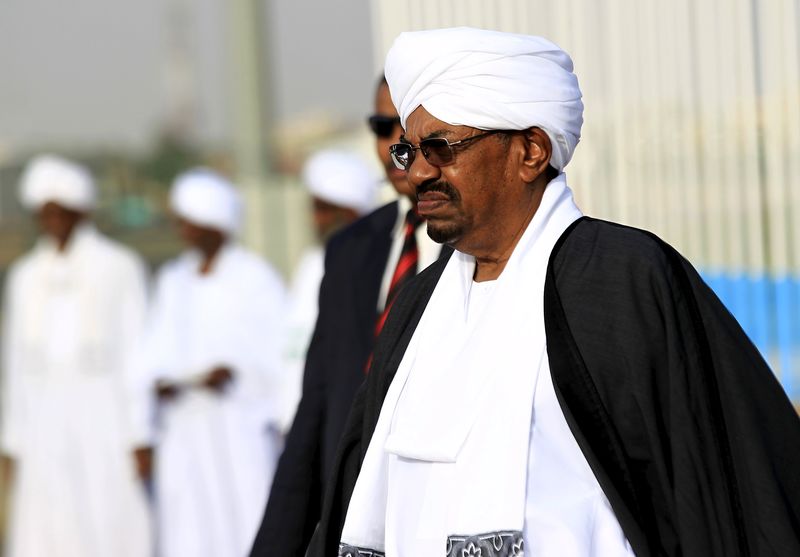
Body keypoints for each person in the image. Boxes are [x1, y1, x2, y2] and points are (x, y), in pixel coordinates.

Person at [306, 28, 800, 557]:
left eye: (441, 147)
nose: (420, 171)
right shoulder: (418, 306)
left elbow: (723, 485)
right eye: (410, 151)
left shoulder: (619, 282)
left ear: (531, 152)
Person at [249, 77, 442, 556]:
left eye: (415, 129)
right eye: (384, 126)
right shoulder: (350, 249)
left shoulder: (478, 252)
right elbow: (317, 405)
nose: (398, 144)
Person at [1, 155, 153, 557]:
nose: (53, 221)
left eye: (61, 211)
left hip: (104, 415)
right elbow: (15, 366)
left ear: (80, 211)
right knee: (44, 522)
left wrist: (141, 432)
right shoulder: (24, 276)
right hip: (41, 420)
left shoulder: (118, 266)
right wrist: (11, 440)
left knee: (108, 518)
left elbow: (137, 352)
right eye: (45, 213)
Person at [142, 169, 286, 557]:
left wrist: (235, 373)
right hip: (185, 428)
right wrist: (160, 381)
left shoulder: (254, 277)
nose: (183, 231)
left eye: (190, 222)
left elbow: (280, 357)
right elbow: (154, 352)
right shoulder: (174, 280)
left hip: (238, 428)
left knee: (246, 523)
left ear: (215, 225)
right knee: (188, 530)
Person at [278, 149, 379, 433]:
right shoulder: (310, 264)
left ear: (349, 212)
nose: (315, 220)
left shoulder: (369, 266)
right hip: (299, 424)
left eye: (322, 209)